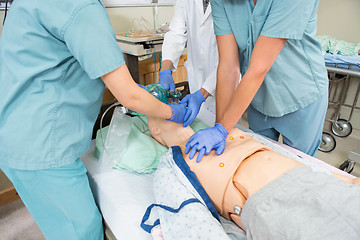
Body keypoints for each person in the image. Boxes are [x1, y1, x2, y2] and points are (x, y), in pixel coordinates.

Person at [0, 1, 187, 239]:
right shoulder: (81, 7)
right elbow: (129, 96)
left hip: (16, 130)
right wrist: (172, 113)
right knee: (82, 230)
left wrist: (135, 93)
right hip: (41, 145)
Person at [147, 116, 360, 239]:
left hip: (314, 180)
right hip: (273, 206)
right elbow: (187, 214)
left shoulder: (225, 129)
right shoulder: (171, 164)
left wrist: (341, 180)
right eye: (163, 107)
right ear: (154, 128)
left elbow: (279, 154)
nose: (175, 106)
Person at [185, 0, 330, 162]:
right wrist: (220, 130)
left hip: (300, 95)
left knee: (299, 166)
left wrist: (221, 130)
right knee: (258, 160)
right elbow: (228, 68)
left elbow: (258, 68)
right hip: (258, 97)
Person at [158, 0, 219, 127]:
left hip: (224, 83)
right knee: (197, 126)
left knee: (226, 135)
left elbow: (233, 57)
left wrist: (203, 93)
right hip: (196, 80)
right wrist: (165, 69)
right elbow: (176, 32)